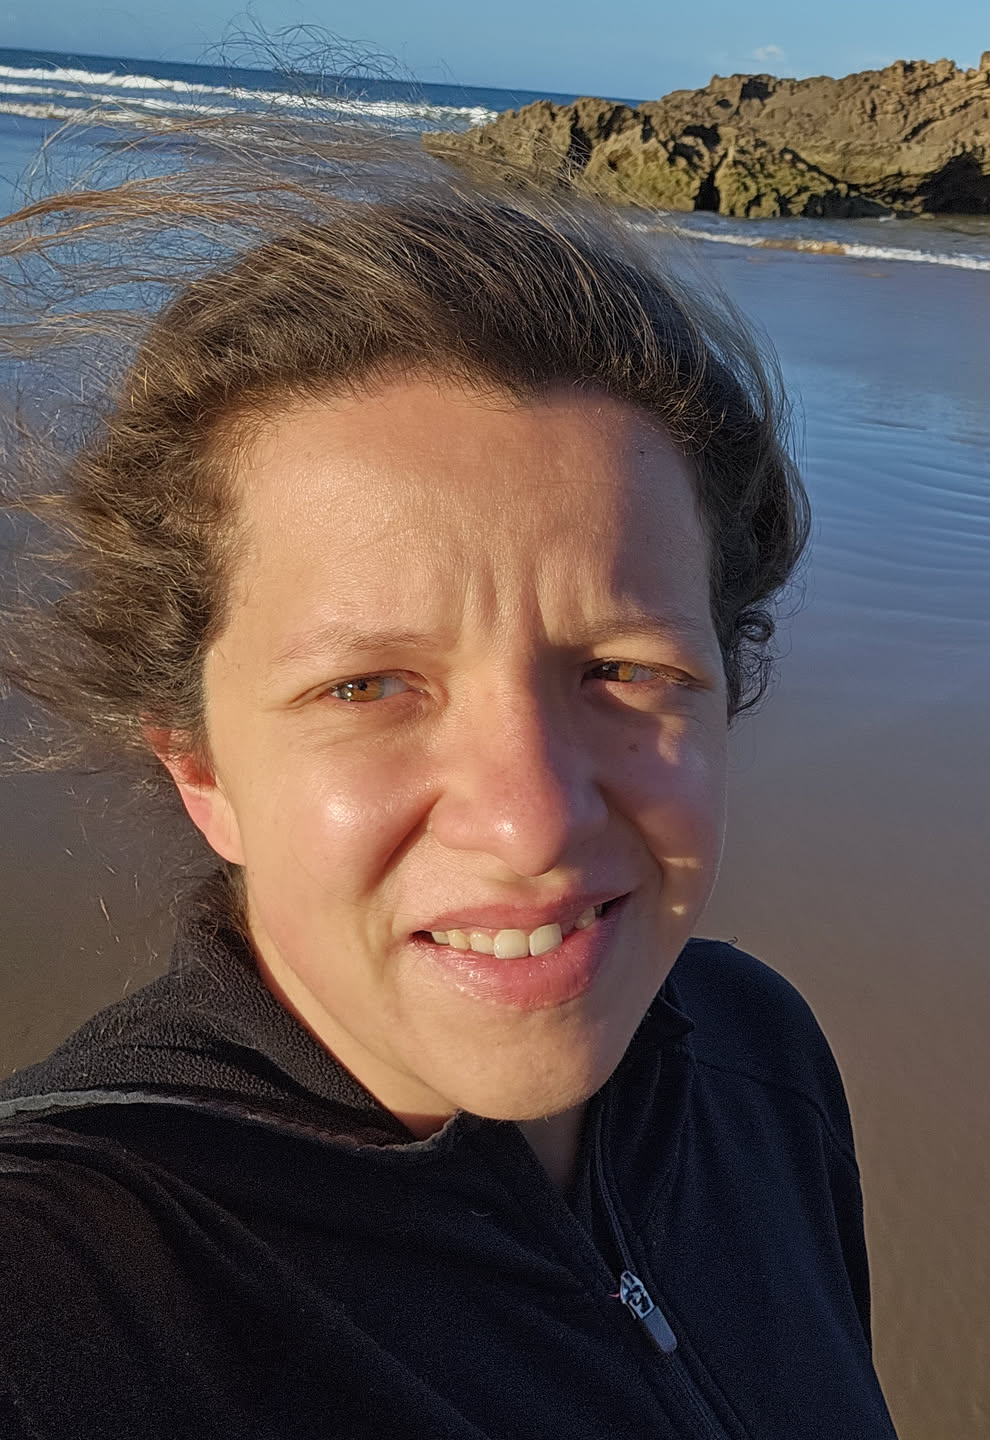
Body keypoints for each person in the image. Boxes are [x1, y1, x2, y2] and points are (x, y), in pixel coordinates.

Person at [0, 121, 897, 1438]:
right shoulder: (74, 1279)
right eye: (368, 687)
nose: (530, 820)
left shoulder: (756, 1056)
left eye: (624, 669)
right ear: (197, 760)